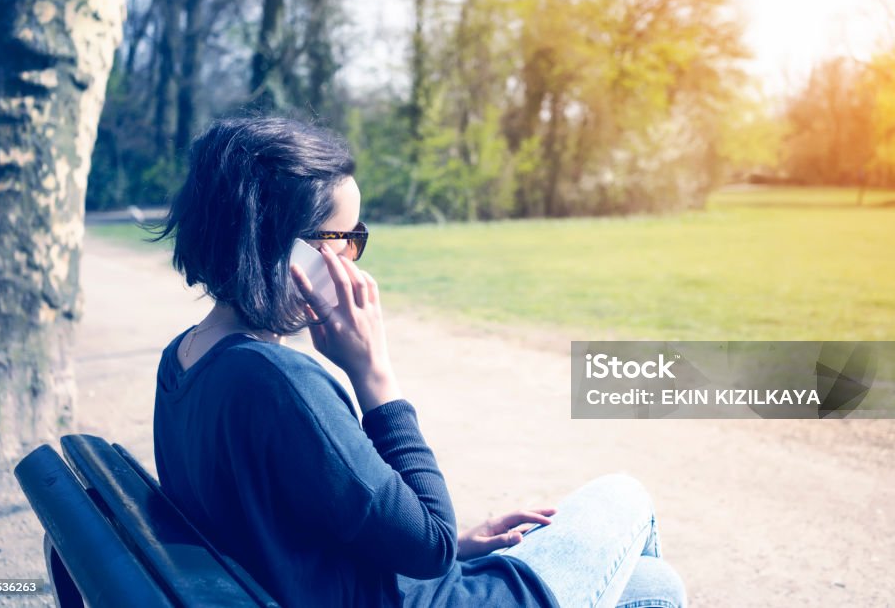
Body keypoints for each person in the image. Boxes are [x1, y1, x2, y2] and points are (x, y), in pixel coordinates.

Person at [149, 117, 687, 607]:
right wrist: (374, 375)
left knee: (656, 589)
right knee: (626, 495)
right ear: (279, 247)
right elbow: (431, 543)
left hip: (371, 586)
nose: (353, 259)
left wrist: (457, 547)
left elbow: (305, 523)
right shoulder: (275, 382)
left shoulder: (184, 360)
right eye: (344, 239)